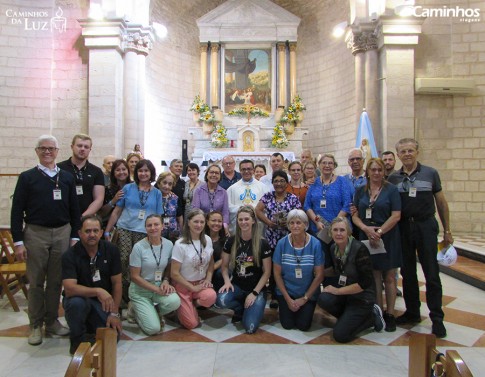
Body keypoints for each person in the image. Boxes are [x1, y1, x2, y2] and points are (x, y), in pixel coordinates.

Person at [11, 135, 80, 346]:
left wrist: (74, 236)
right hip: (35, 233)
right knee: (36, 282)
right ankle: (35, 325)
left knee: (56, 281)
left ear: (58, 151)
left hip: (62, 232)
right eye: (43, 148)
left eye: (51, 148)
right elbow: (16, 211)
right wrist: (18, 241)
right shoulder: (27, 177)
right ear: (37, 151)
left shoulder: (66, 177)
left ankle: (52, 321)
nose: (47, 152)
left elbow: (74, 209)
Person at [388, 138, 453, 338]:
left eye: (410, 150)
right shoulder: (393, 178)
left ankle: (437, 318)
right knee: (407, 273)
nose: (407, 154)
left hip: (425, 226)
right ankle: (412, 312)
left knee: (431, 273)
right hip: (404, 227)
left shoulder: (430, 173)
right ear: (398, 155)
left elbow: (441, 202)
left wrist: (447, 230)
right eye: (403, 151)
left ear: (417, 152)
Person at [351, 158, 402, 332]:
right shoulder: (360, 191)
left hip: (387, 236)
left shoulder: (392, 190)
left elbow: (396, 215)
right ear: (368, 172)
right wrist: (366, 229)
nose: (376, 173)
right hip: (366, 235)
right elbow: (355, 215)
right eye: (373, 170)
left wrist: (379, 232)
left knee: (389, 276)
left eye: (379, 170)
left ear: (383, 171)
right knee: (374, 276)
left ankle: (390, 313)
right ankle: (378, 311)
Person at [105, 159, 163, 307]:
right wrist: (107, 231)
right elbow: (117, 211)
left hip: (145, 232)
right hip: (125, 229)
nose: (143, 174)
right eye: (140, 171)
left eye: (146, 171)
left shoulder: (156, 193)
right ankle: (123, 298)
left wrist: (157, 235)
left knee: (140, 265)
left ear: (151, 173)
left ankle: (138, 297)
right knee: (124, 260)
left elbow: (158, 216)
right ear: (136, 173)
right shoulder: (128, 188)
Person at [317, 217, 385, 343]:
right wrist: (316, 273)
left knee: (340, 335)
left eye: (342, 230)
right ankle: (348, 319)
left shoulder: (359, 249)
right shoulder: (334, 249)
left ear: (348, 232)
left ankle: (371, 317)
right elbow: (336, 270)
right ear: (330, 232)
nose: (338, 233)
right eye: (335, 230)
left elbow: (364, 283)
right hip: (347, 296)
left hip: (362, 298)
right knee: (323, 298)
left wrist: (337, 291)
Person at [62, 215, 122, 355]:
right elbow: (70, 289)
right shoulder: (69, 255)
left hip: (103, 303)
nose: (92, 235)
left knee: (113, 336)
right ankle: (77, 340)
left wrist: (114, 313)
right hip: (79, 299)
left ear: (101, 232)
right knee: (76, 304)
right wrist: (97, 291)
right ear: (80, 233)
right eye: (88, 231)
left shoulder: (111, 250)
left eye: (96, 231)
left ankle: (89, 330)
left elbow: (117, 283)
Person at [217, 206, 271, 334]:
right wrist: (227, 281)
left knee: (250, 328)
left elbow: (267, 272)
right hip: (238, 286)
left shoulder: (263, 243)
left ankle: (252, 307)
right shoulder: (231, 241)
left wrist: (254, 293)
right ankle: (240, 308)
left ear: (253, 221)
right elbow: (224, 267)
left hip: (256, 288)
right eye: (240, 219)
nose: (243, 222)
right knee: (221, 300)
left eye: (246, 219)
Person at [128, 215, 181, 335]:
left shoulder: (169, 244)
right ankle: (135, 311)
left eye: (156, 224)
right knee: (153, 329)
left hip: (158, 286)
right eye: (149, 225)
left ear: (162, 226)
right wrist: (156, 289)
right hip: (140, 291)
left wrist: (166, 280)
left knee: (175, 301)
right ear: (145, 228)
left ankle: (152, 312)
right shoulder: (138, 247)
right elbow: (134, 277)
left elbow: (168, 266)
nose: (153, 228)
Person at [256, 171, 302, 309]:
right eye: (276, 181)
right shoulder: (268, 196)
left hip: (289, 238)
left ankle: (291, 292)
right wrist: (268, 222)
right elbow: (257, 210)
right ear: (272, 183)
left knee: (288, 265)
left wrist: (289, 224)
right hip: (272, 237)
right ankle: (275, 295)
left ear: (286, 183)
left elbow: (299, 215)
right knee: (274, 266)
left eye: (282, 181)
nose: (279, 183)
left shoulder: (293, 198)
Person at [272, 209, 324, 331]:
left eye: (299, 223)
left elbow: (319, 275)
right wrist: (287, 298)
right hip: (286, 292)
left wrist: (305, 298)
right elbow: (277, 274)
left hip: (307, 293)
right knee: (287, 325)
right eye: (292, 223)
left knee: (303, 325)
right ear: (288, 225)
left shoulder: (315, 244)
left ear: (305, 225)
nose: (295, 226)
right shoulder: (282, 244)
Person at [171, 209, 216, 329]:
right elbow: (174, 273)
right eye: (195, 222)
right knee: (192, 324)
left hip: (200, 283)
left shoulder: (208, 240)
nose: (199, 225)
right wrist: (191, 287)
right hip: (184, 285)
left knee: (211, 297)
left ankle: (192, 304)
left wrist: (208, 278)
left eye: (202, 222)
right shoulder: (180, 244)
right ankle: (182, 307)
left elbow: (211, 262)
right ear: (188, 223)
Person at [304, 154, 352, 258]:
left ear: (334, 166)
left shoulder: (341, 181)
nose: (327, 165)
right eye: (324, 163)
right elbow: (307, 206)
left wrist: (335, 224)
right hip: (319, 229)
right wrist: (317, 222)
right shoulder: (314, 182)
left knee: (339, 258)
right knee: (321, 259)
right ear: (319, 165)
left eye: (330, 163)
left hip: (339, 229)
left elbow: (347, 204)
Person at [58, 134, 105, 217]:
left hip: (86, 219)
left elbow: (99, 199)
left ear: (90, 149)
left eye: (86, 147)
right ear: (72, 147)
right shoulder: (59, 168)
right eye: (79, 146)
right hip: (63, 219)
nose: (83, 149)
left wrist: (82, 218)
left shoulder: (96, 171)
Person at [227, 159, 269, 233]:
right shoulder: (232, 188)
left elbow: (268, 206)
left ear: (253, 170)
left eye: (249, 169)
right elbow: (228, 207)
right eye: (243, 169)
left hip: (257, 225)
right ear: (240, 171)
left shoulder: (263, 187)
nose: (246, 171)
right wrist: (241, 208)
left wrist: (255, 208)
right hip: (240, 226)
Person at [192, 164, 230, 235]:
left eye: (217, 173)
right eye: (211, 172)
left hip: (217, 226)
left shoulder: (223, 192)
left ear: (220, 177)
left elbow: (225, 212)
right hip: (202, 226)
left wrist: (225, 226)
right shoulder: (199, 191)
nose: (214, 175)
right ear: (207, 175)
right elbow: (196, 210)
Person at [98, 159, 131, 227]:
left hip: (130, 225)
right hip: (111, 226)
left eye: (124, 169)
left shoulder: (135, 187)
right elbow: (101, 213)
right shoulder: (107, 190)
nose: (121, 172)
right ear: (113, 173)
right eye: (118, 170)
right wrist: (113, 201)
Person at [156, 172, 183, 243]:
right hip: (157, 233)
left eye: (170, 184)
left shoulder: (175, 198)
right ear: (159, 183)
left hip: (173, 234)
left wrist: (181, 233)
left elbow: (179, 217)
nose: (167, 186)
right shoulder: (154, 197)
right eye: (164, 183)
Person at [205, 211, 227, 292]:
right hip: (201, 269)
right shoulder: (201, 238)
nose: (216, 223)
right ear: (207, 222)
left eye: (219, 221)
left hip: (216, 269)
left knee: (221, 272)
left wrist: (210, 269)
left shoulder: (226, 240)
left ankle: (218, 293)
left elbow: (224, 259)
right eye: (213, 220)